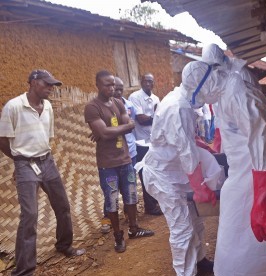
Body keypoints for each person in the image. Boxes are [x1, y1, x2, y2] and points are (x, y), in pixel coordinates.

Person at [202, 44, 266, 276]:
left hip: (258, 169)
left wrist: (262, 201)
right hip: (244, 168)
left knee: (250, 237)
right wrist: (219, 144)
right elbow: (229, 124)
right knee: (236, 235)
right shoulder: (223, 86)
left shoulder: (236, 86)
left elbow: (261, 137)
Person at [138, 62, 222, 275]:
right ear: (198, 84)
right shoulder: (179, 107)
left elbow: (183, 139)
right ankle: (186, 273)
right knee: (182, 228)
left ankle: (200, 260)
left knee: (196, 220)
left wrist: (202, 145)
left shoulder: (182, 100)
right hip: (163, 176)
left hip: (175, 171)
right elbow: (185, 151)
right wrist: (201, 187)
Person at [0, 69, 85, 275]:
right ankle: (24, 270)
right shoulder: (14, 106)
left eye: (52, 85)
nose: (50, 89)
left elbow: (47, 137)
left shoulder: (47, 106)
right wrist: (20, 161)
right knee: (29, 215)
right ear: (33, 82)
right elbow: (3, 139)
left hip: (47, 162)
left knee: (62, 205)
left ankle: (64, 245)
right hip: (25, 165)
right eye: (47, 84)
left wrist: (40, 158)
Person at [84, 70, 154, 253]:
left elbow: (129, 128)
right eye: (107, 85)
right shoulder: (92, 107)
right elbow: (105, 133)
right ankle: (117, 236)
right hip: (108, 164)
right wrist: (115, 129)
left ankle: (134, 228)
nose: (112, 88)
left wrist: (110, 130)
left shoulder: (118, 103)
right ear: (97, 85)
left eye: (113, 84)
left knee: (131, 196)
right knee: (112, 201)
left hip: (125, 159)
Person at [99, 77, 137, 234]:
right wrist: (105, 132)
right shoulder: (97, 107)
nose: (116, 90)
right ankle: (115, 231)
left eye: (119, 88)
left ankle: (132, 224)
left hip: (128, 153)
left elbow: (132, 125)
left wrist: (106, 131)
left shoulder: (124, 104)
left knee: (130, 191)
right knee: (111, 195)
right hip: (109, 161)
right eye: (113, 87)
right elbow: (105, 132)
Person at [128, 73, 162, 215]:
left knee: (155, 172)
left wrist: (154, 118)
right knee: (144, 173)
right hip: (140, 143)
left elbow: (160, 120)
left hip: (153, 141)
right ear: (141, 82)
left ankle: (154, 202)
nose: (149, 84)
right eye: (146, 81)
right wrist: (155, 117)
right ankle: (149, 206)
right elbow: (141, 119)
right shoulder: (135, 97)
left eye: (151, 81)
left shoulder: (155, 99)